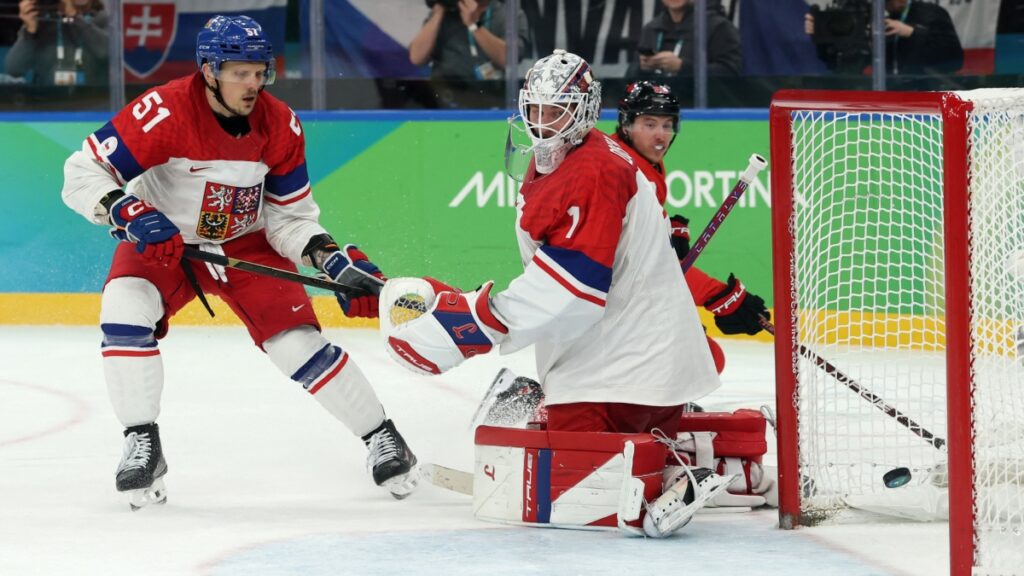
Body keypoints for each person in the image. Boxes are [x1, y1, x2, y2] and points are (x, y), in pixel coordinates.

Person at [60, 15, 419, 510]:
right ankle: (141, 441)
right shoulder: (162, 111)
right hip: (165, 241)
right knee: (123, 311)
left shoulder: (281, 125)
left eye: (260, 72)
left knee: (297, 346)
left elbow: (290, 219)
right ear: (209, 70)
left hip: (247, 243)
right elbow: (81, 172)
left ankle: (382, 435)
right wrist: (128, 210)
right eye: (240, 73)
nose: (254, 84)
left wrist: (327, 258)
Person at [385, 49, 733, 537]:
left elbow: (574, 289)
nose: (543, 122)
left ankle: (673, 469)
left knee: (564, 474)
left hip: (621, 369)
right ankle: (674, 451)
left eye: (558, 110)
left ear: (586, 110)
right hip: (619, 357)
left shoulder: (595, 169)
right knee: (565, 445)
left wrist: (467, 326)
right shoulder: (569, 157)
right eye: (536, 109)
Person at [805, 0, 963, 75]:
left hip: (927, 97)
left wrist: (911, 32)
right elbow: (844, 67)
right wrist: (823, 36)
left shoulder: (931, 13)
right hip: (886, 99)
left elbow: (954, 58)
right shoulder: (871, 17)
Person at [408, 0, 528, 81]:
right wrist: (439, 10)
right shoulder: (445, 14)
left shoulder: (507, 14)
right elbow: (416, 58)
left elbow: (509, 58)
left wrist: (473, 25)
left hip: (491, 97)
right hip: (444, 97)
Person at [627, 0, 741, 78]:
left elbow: (731, 73)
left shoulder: (718, 27)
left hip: (701, 110)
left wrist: (682, 67)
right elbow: (630, 77)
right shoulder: (651, 28)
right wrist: (641, 68)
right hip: (658, 109)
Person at [5, 0, 108, 86]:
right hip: (49, 102)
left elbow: (107, 52)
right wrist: (30, 33)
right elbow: (13, 69)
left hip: (93, 102)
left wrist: (75, 18)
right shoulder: (43, 22)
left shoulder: (102, 19)